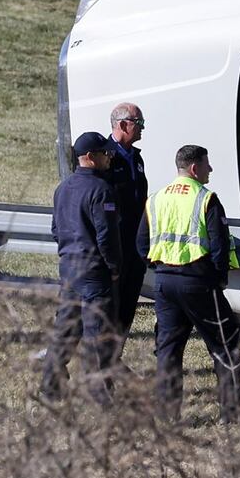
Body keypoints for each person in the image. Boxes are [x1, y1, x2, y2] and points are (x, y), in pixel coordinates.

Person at [137, 144, 240, 422]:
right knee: (225, 343)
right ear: (195, 168)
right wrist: (218, 279)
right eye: (207, 165)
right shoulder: (205, 198)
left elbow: (141, 243)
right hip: (197, 281)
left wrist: (158, 266)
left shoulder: (156, 199)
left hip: (164, 282)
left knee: (168, 351)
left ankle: (167, 416)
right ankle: (231, 414)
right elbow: (219, 246)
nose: (210, 169)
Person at [41, 131, 124, 401]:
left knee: (65, 327)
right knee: (96, 334)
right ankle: (101, 396)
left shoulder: (63, 188)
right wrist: (114, 266)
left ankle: (50, 384)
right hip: (94, 272)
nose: (109, 157)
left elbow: (56, 229)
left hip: (69, 267)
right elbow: (107, 236)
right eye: (104, 153)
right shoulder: (101, 191)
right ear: (89, 158)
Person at [106, 102, 148, 348]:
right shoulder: (105, 156)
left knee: (129, 303)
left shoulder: (136, 158)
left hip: (135, 245)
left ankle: (115, 355)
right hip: (115, 244)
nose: (143, 129)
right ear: (123, 125)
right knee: (110, 306)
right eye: (139, 123)